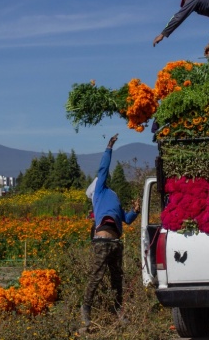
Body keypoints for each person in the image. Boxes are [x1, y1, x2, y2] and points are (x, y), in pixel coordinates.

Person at [81, 134, 140, 329]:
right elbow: (103, 169)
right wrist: (109, 147)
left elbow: (127, 219)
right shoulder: (100, 192)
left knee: (117, 280)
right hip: (102, 242)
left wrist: (136, 211)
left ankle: (118, 313)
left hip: (115, 243)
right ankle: (85, 312)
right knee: (96, 276)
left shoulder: (113, 198)